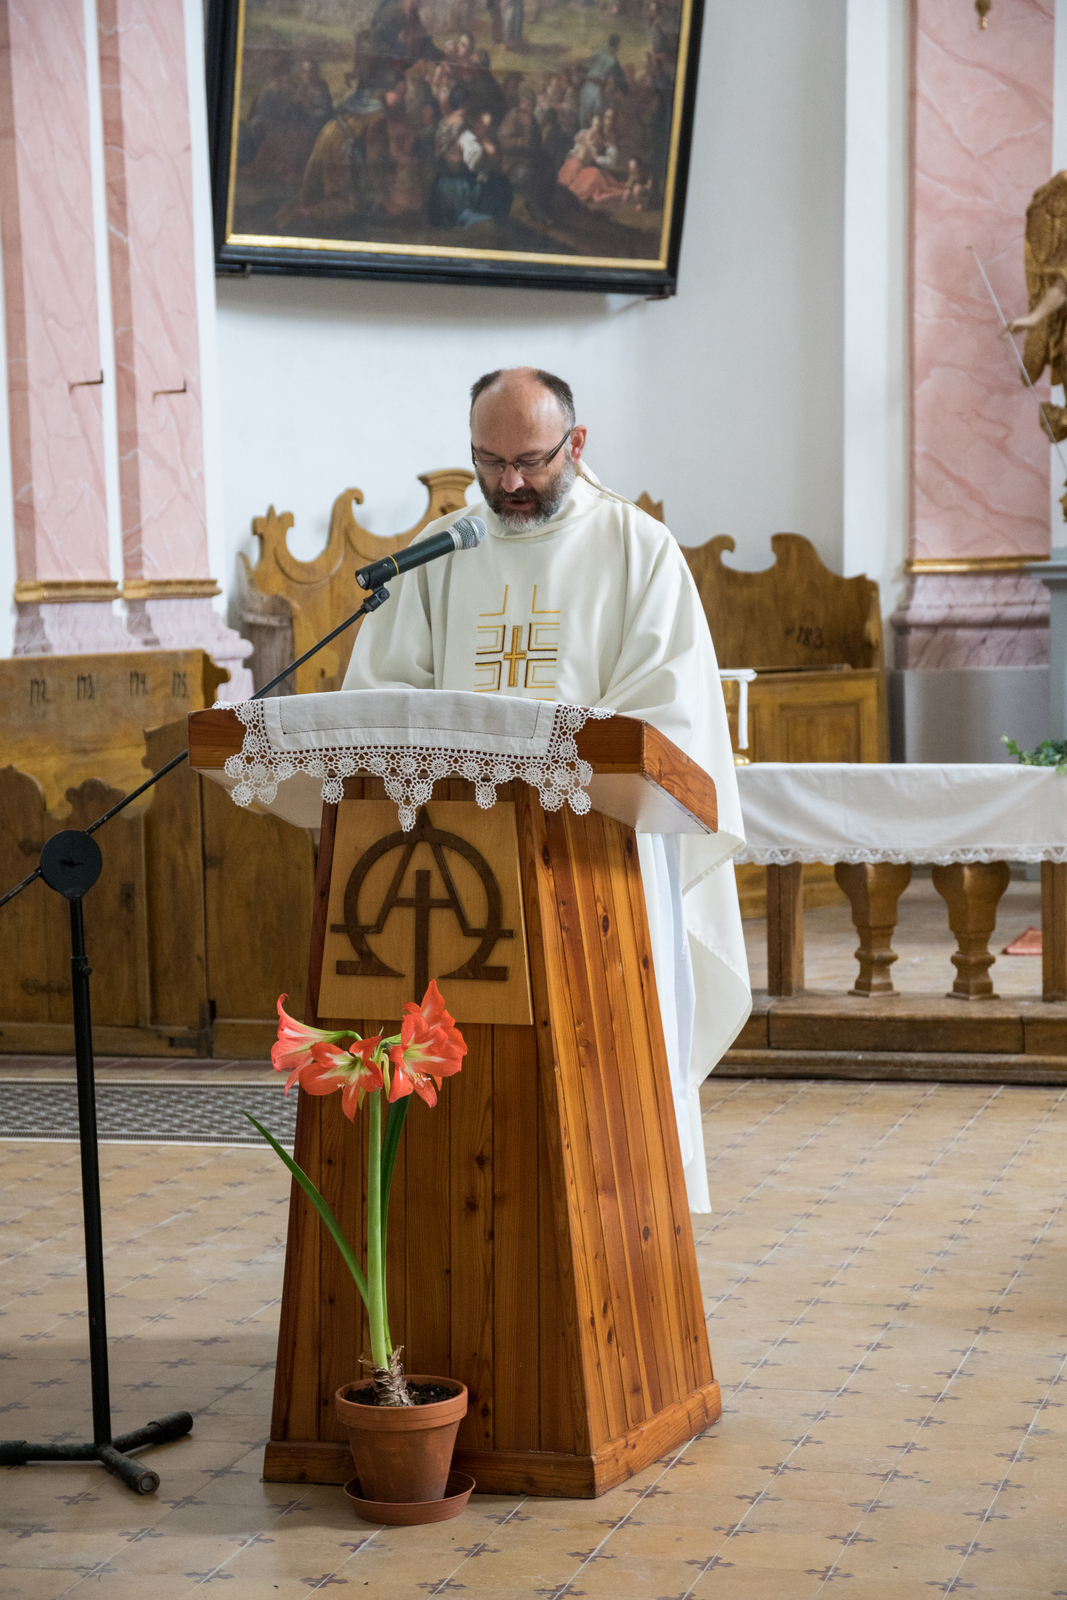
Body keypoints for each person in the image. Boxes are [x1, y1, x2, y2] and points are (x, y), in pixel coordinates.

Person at [342, 368, 750, 1211]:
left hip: (594, 865)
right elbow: (379, 699)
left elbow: (666, 716)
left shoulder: (637, 549)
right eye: (489, 462)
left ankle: (620, 1215)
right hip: (456, 866)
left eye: (530, 461)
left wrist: (544, 751)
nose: (510, 484)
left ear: (577, 443)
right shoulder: (442, 552)